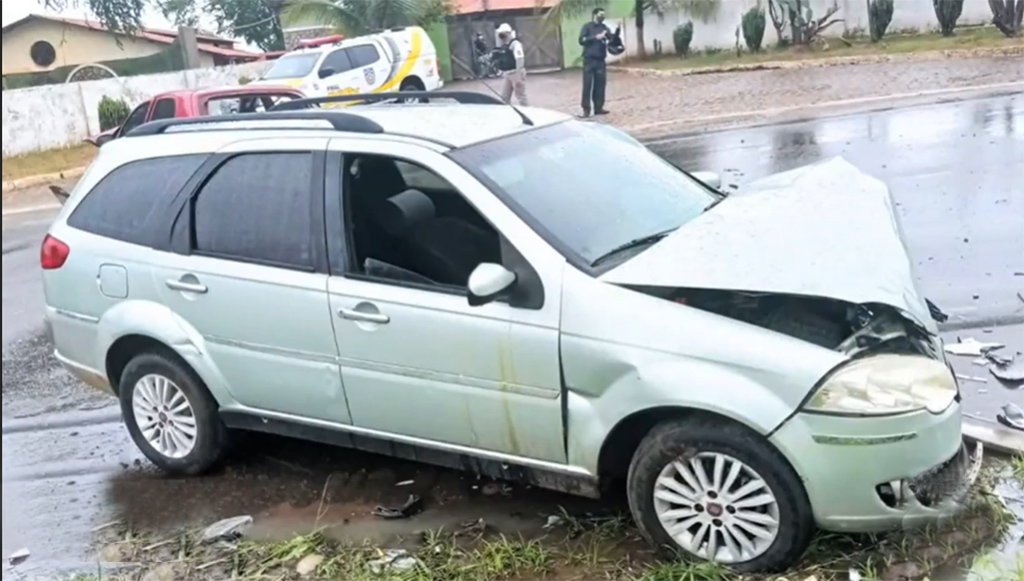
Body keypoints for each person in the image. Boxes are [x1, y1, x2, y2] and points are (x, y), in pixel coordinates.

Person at [579, 7, 611, 117]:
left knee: (600, 84)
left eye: (603, 14)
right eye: (600, 14)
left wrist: (614, 35)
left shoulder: (604, 28)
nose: (602, 16)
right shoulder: (587, 27)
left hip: (600, 60)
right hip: (589, 60)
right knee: (587, 85)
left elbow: (611, 39)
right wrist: (595, 37)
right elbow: (581, 40)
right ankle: (586, 109)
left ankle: (599, 107)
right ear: (595, 15)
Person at [495, 23, 528, 106]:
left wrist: (518, 74)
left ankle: (527, 111)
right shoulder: (505, 45)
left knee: (520, 95)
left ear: (508, 33)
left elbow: (519, 58)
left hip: (515, 72)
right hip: (508, 73)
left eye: (502, 34)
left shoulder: (515, 44)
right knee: (504, 97)